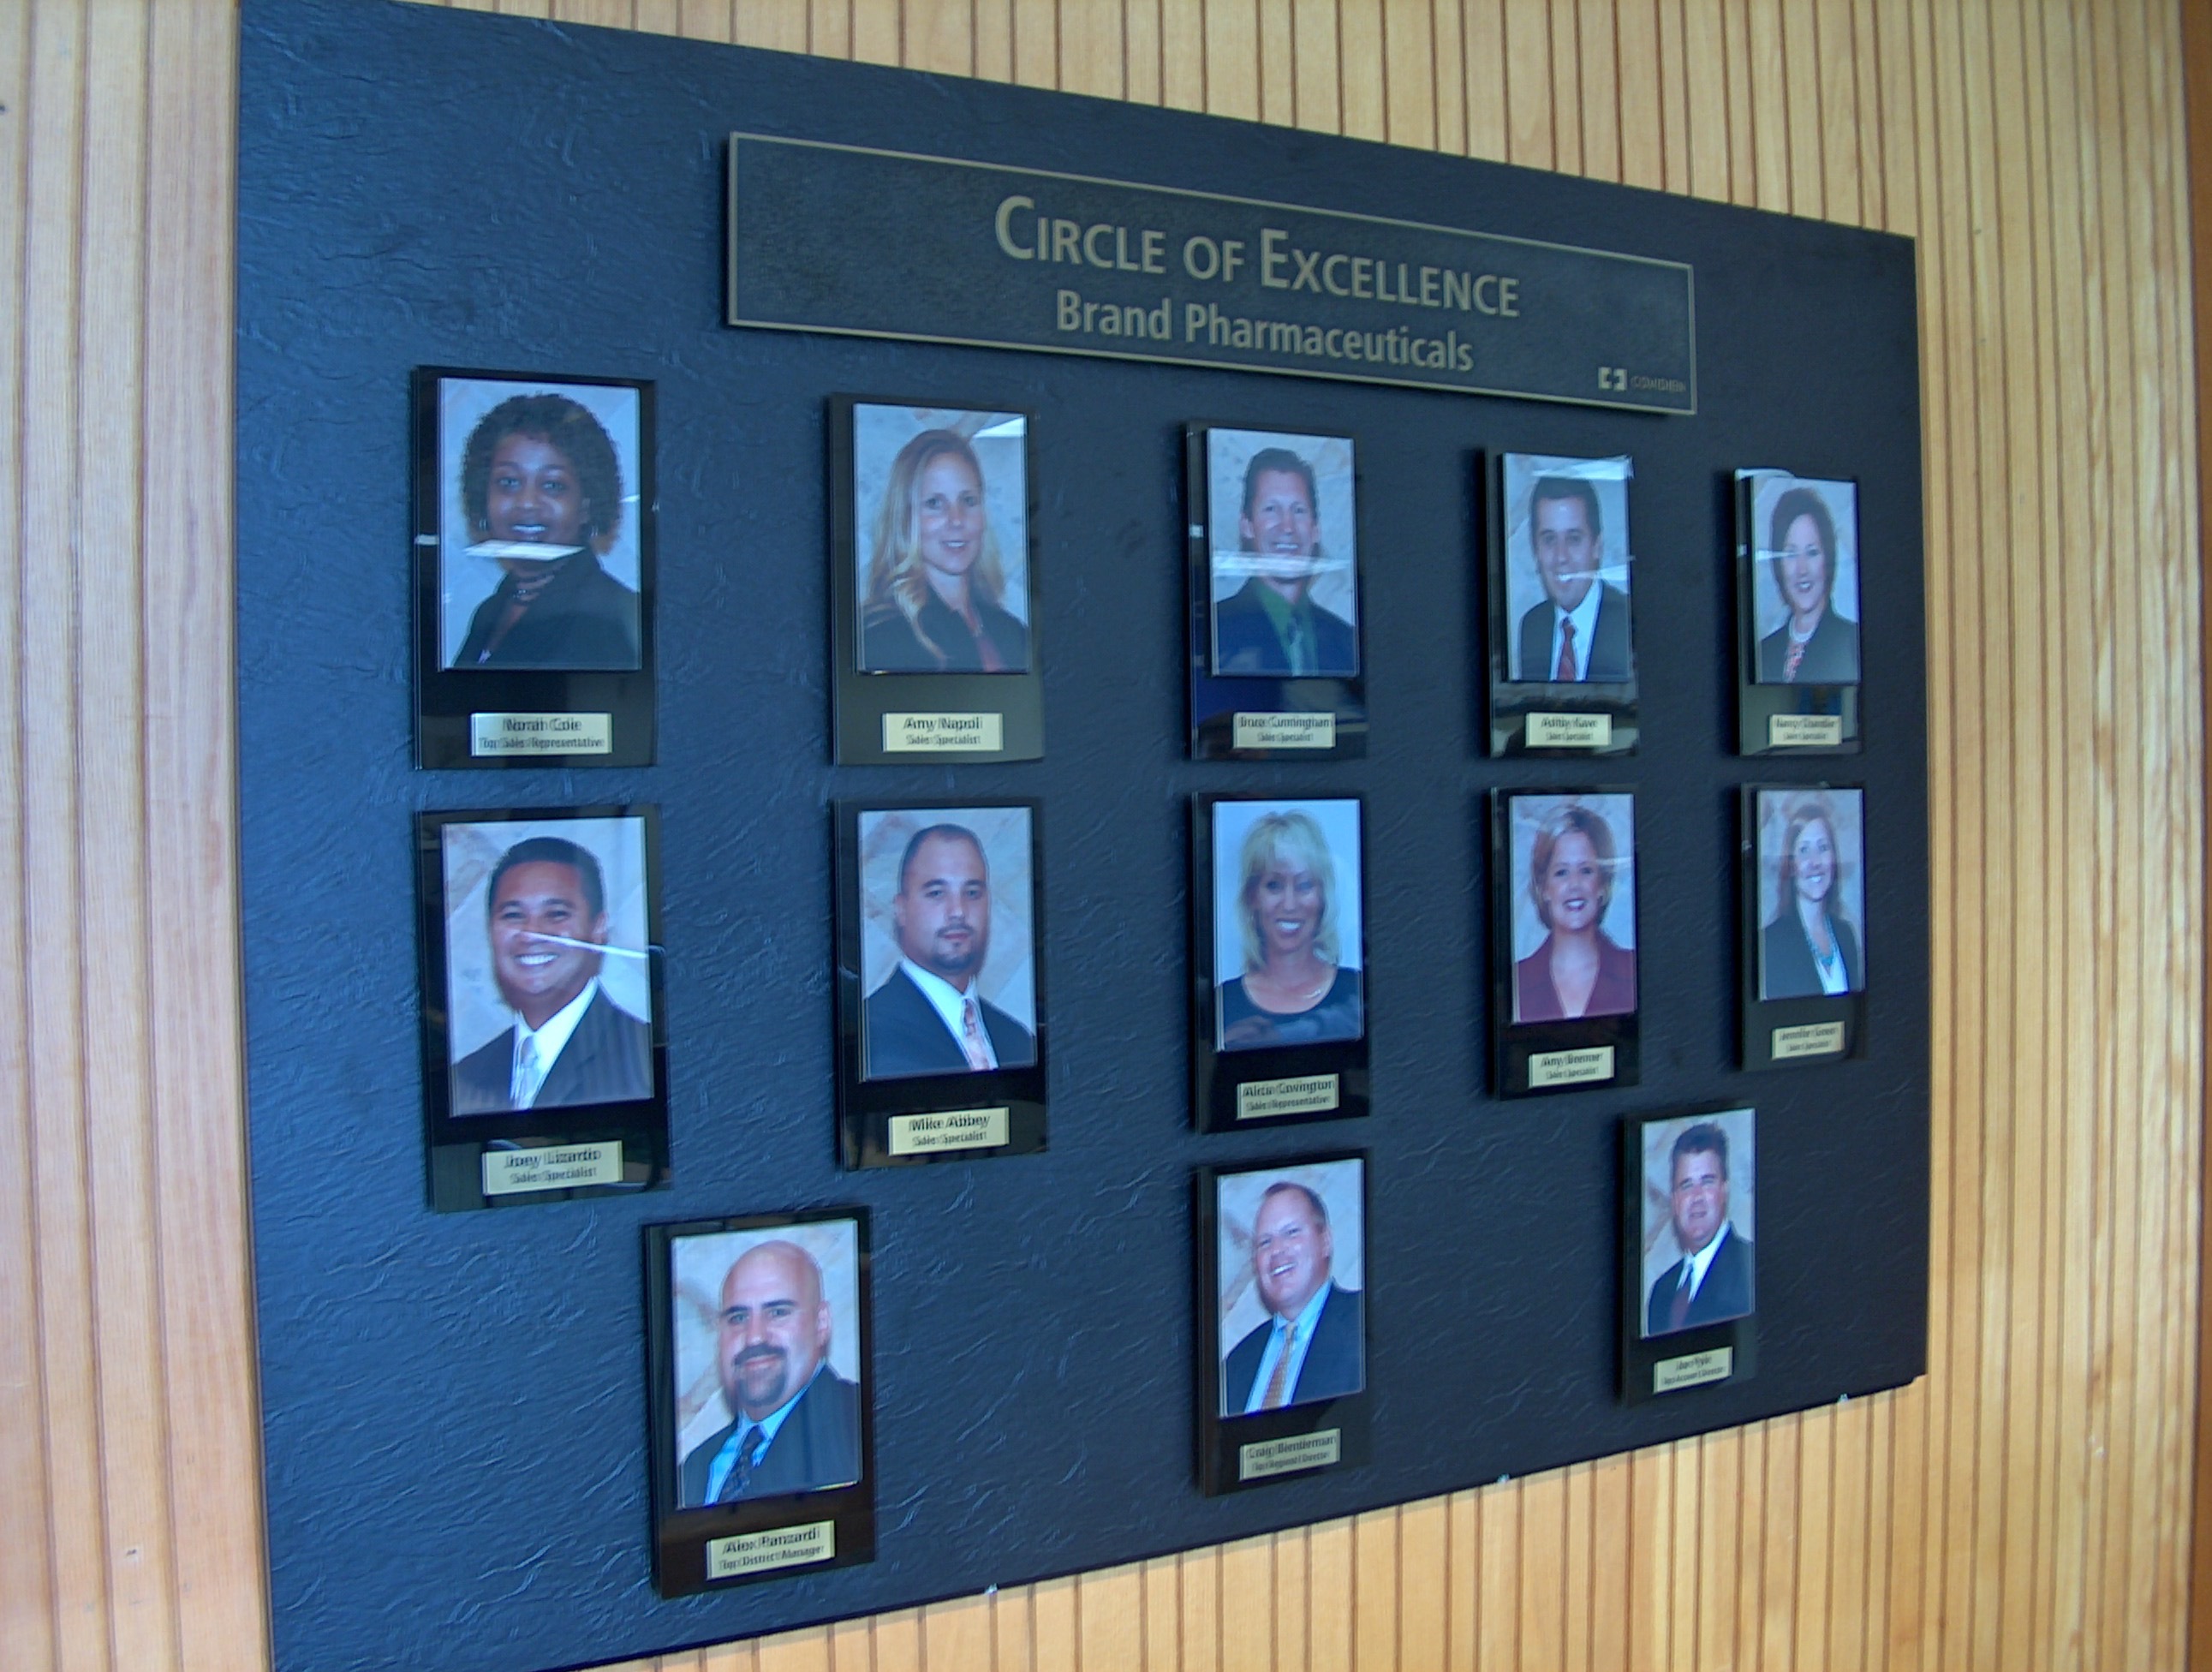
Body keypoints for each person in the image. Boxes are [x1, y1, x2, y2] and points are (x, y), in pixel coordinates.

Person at [450, 835, 653, 1114]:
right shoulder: (465, 1077)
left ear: (598, 929)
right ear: (490, 931)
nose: (533, 934)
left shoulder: (643, 1060)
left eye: (556, 914)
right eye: (513, 915)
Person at [451, 392, 641, 669]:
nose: (527, 503)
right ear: (483, 496)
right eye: (509, 482)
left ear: (587, 504)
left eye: (552, 485)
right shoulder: (491, 611)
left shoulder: (611, 617)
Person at [680, 1239, 862, 1507]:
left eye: (777, 1312)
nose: (754, 1337)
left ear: (821, 1323)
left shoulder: (859, 1426)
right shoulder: (695, 1467)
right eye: (738, 1318)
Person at [863, 823, 1036, 1078]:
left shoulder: (1017, 1040)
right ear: (901, 909)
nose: (958, 910)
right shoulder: (869, 1035)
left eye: (972, 892)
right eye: (936, 893)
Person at [860, 428, 1028, 672]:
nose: (957, 520)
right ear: (905, 518)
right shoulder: (879, 636)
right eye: (935, 504)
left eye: (968, 501)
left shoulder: (1014, 633)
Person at [1215, 809, 1362, 1051]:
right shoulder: (1221, 1003)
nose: (1290, 904)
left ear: (1323, 895)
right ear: (1252, 896)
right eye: (1274, 885)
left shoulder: (1357, 994)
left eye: (1304, 885)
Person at [1211, 447, 1358, 677]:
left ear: (1316, 529)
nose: (1287, 526)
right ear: (1247, 525)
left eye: (1298, 510)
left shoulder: (1348, 641)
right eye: (1271, 509)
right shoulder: (1213, 631)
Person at [1221, 1180, 1364, 1413]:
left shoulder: (1366, 1322)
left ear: (1325, 1241)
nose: (1276, 1250)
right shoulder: (1235, 1365)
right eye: (1265, 1242)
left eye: (1291, 1232)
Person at [1513, 803, 1637, 1023]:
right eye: (1561, 873)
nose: (1574, 885)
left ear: (1602, 884)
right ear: (1544, 888)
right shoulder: (1516, 981)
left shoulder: (1633, 971)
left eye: (1586, 871)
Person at [1512, 475, 1631, 682]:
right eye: (1549, 539)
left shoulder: (1628, 622)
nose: (1561, 557)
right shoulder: (1533, 627)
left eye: (1574, 539)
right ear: (1535, 549)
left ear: (1597, 546)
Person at [1644, 1124, 1755, 1335]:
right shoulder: (1661, 1292)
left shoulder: (1750, 1271)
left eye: (1707, 1181)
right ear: (1675, 1200)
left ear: (1725, 1190)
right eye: (1686, 1185)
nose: (1696, 1197)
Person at [1756, 484, 1861, 684]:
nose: (1802, 569)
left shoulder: (1851, 642)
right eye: (1791, 554)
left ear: (1828, 559)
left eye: (1812, 552)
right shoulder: (1763, 651)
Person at [1762, 797, 1863, 997]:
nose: (1815, 862)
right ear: (1791, 866)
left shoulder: (1846, 934)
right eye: (1804, 850)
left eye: (1823, 848)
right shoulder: (1771, 942)